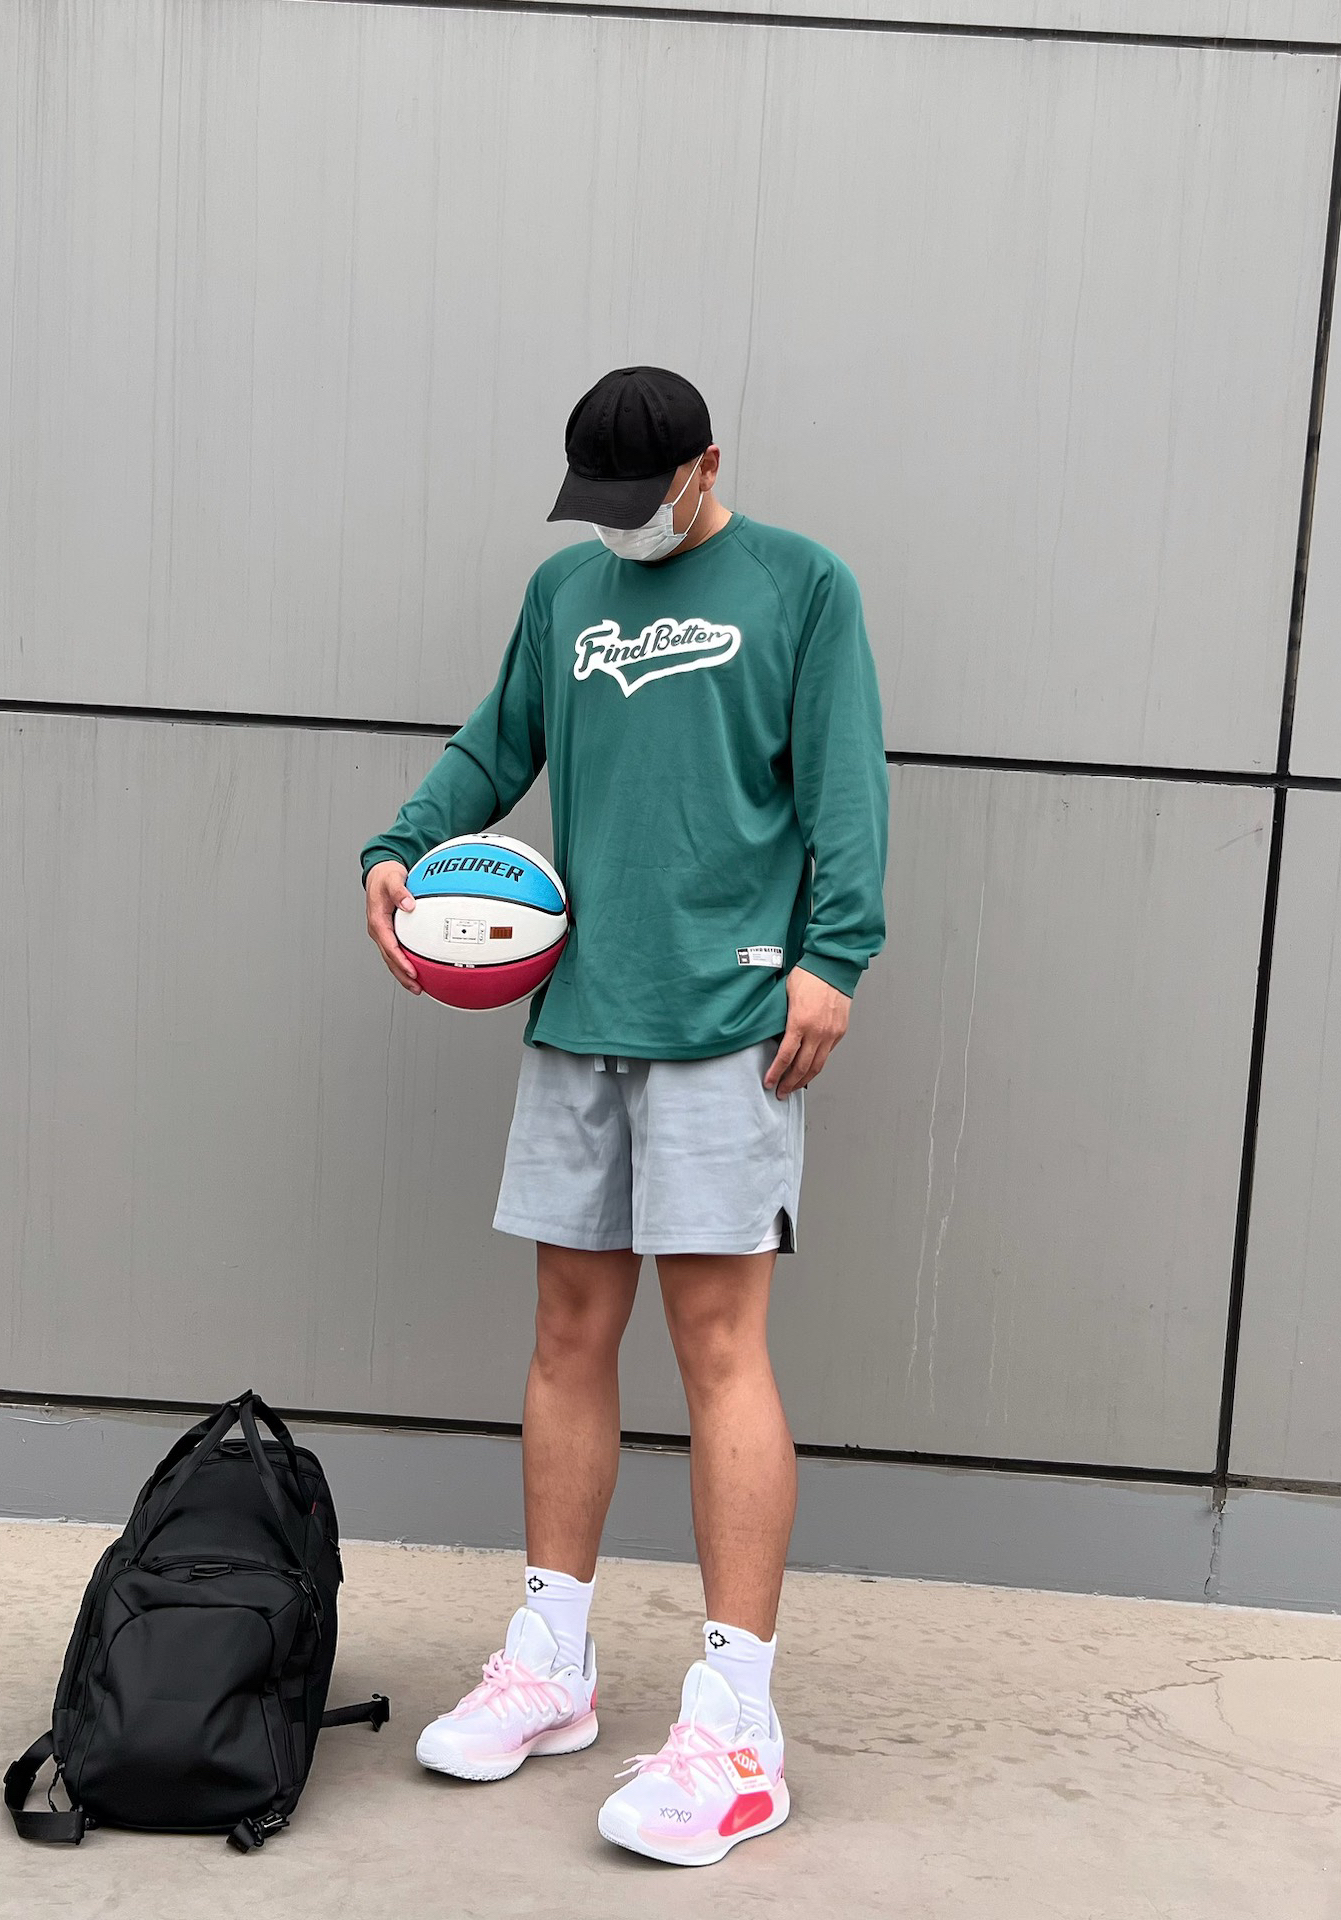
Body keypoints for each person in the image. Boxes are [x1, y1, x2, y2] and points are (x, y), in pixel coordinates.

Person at [361, 365, 888, 1866]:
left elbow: (846, 784)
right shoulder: (565, 592)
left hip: (728, 1017)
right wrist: (403, 841)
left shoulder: (802, 586)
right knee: (566, 1333)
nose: (619, 526)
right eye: (596, 504)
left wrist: (835, 956)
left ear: (708, 466)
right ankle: (555, 1662)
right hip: (581, 1011)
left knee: (720, 1347)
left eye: (640, 499)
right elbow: (496, 746)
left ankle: (739, 1727)